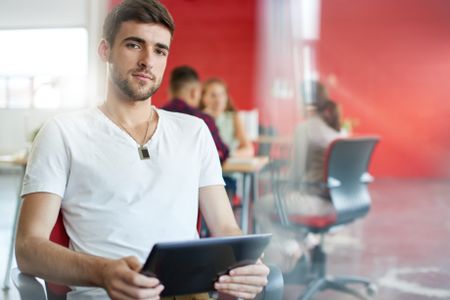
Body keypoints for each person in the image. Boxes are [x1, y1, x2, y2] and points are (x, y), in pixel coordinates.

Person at [15, 1, 269, 300]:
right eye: (134, 45)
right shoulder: (62, 132)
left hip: (188, 294)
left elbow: (225, 226)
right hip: (105, 294)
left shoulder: (194, 131)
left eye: (160, 50)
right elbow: (28, 249)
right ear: (105, 50)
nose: (148, 60)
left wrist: (246, 264)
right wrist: (104, 272)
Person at [254, 99, 341, 272]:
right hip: (339, 203)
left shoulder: (305, 129)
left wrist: (275, 184)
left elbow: (296, 174)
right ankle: (307, 242)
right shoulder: (336, 133)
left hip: (314, 202)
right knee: (285, 205)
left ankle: (292, 249)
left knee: (260, 206)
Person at [162, 67, 229, 163]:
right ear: (194, 92)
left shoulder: (154, 116)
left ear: (169, 91)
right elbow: (221, 153)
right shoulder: (203, 120)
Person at [201, 78, 254, 158]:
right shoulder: (198, 119)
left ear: (226, 97)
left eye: (222, 94)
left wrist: (227, 155)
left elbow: (249, 150)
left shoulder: (233, 117)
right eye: (213, 95)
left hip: (229, 167)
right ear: (203, 98)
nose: (218, 99)